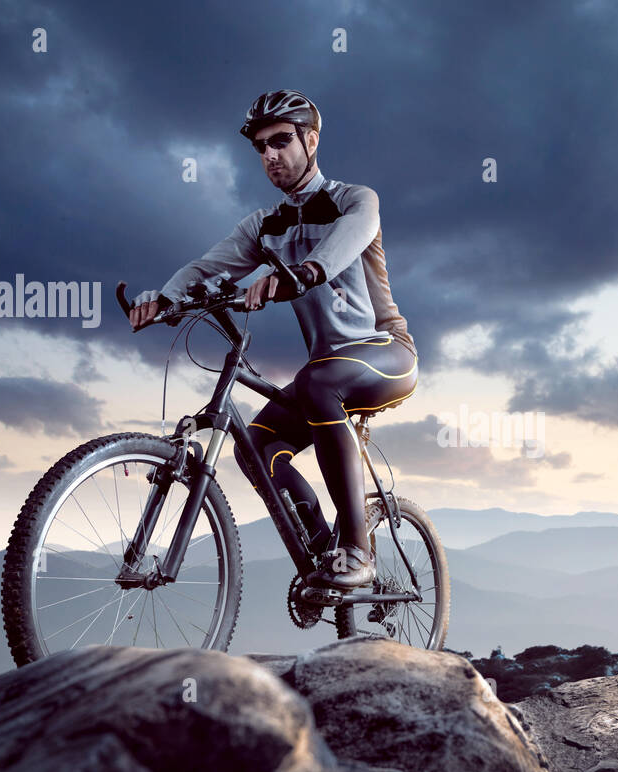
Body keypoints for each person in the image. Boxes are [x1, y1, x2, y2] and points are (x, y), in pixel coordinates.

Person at [127, 89, 418, 590]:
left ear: (311, 139)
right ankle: (323, 546)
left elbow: (346, 241)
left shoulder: (356, 200)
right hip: (325, 371)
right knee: (256, 444)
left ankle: (357, 550)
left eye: (281, 141)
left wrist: (303, 273)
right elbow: (206, 267)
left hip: (386, 352)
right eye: (260, 147)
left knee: (319, 381)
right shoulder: (265, 226)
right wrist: (166, 298)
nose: (269, 155)